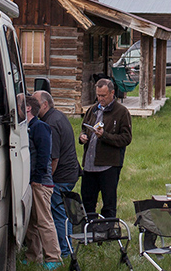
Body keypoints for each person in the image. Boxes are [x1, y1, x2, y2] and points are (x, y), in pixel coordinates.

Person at [79, 79, 133, 219]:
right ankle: (89, 228)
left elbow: (126, 139)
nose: (100, 99)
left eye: (103, 95)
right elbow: (84, 128)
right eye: (98, 95)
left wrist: (105, 136)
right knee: (87, 200)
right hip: (89, 165)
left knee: (109, 202)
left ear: (112, 93)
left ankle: (108, 229)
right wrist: (83, 137)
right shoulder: (92, 110)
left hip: (108, 165)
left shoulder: (121, 112)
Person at [36, 91, 78, 259]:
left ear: (45, 105)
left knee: (57, 213)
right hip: (70, 173)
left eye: (36, 103)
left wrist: (47, 182)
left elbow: (53, 158)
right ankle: (67, 247)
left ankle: (65, 251)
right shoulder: (57, 116)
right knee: (62, 212)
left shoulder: (51, 124)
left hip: (61, 176)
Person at [23, 94, 62, 269]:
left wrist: (37, 179)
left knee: (44, 221)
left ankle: (54, 258)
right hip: (31, 182)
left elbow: (44, 154)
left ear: (28, 108)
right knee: (32, 222)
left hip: (40, 183)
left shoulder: (40, 127)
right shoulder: (27, 127)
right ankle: (33, 255)